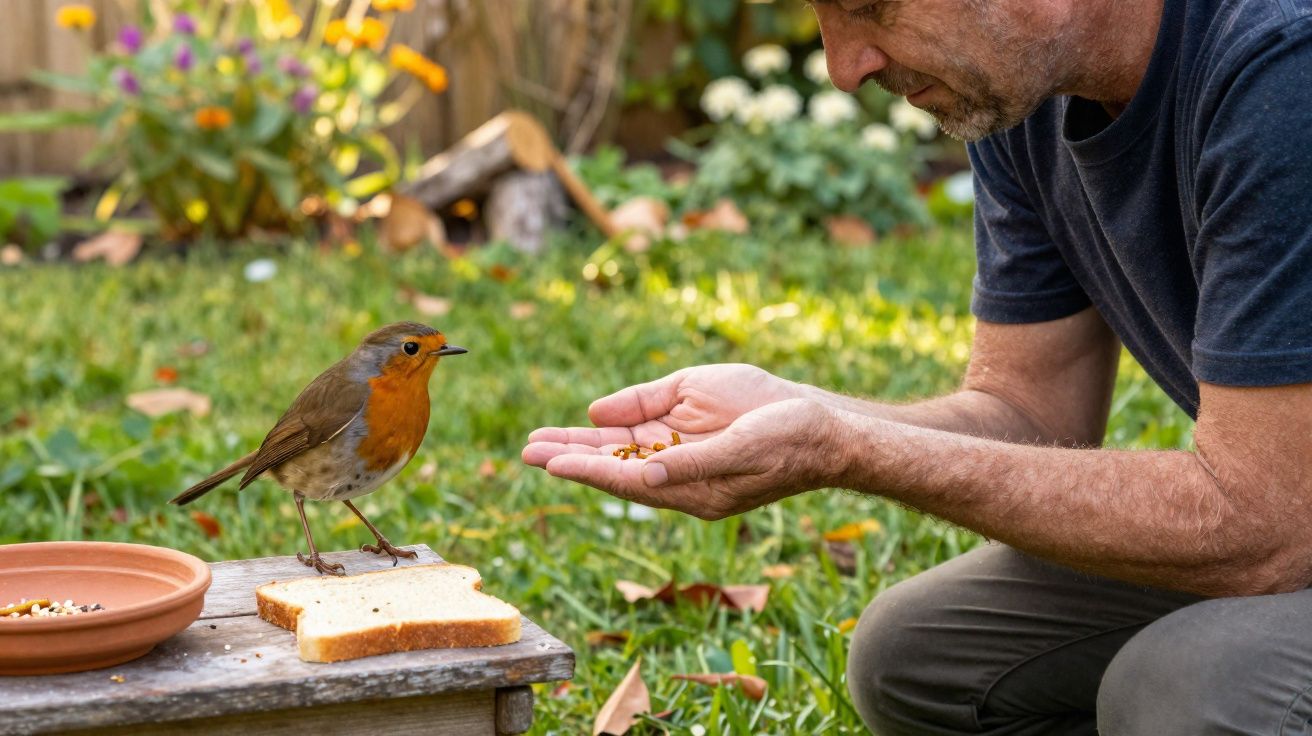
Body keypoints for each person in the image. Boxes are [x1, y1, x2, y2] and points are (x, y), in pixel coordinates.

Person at [524, 0, 1312, 732]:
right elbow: (1027, 411)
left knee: (1188, 685)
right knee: (918, 656)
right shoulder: (1022, 92)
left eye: (870, 8)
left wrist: (847, 449)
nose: (844, 68)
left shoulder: (1282, 66)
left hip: (1280, 528)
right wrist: (808, 415)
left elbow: (1259, 526)